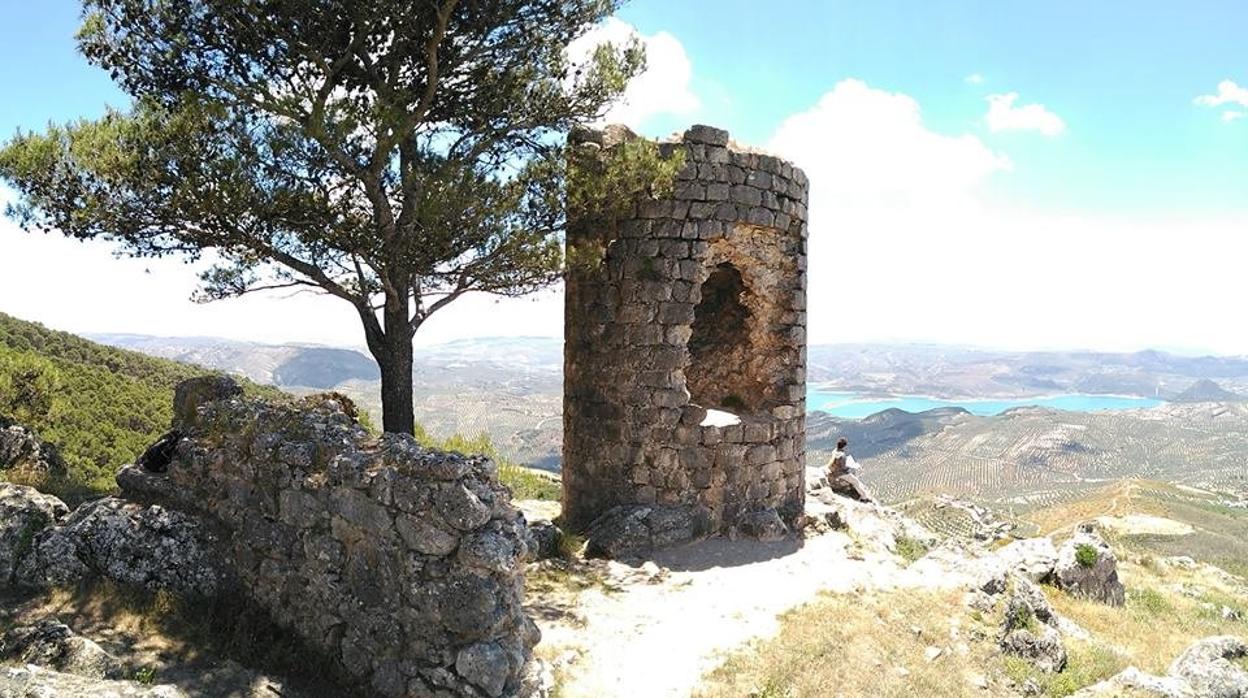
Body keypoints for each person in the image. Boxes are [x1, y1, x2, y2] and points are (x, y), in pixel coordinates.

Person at [825, 437, 873, 502]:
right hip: (840, 473)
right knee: (856, 482)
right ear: (844, 446)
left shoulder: (834, 451)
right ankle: (864, 498)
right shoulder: (842, 456)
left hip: (834, 470)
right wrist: (851, 467)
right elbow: (843, 468)